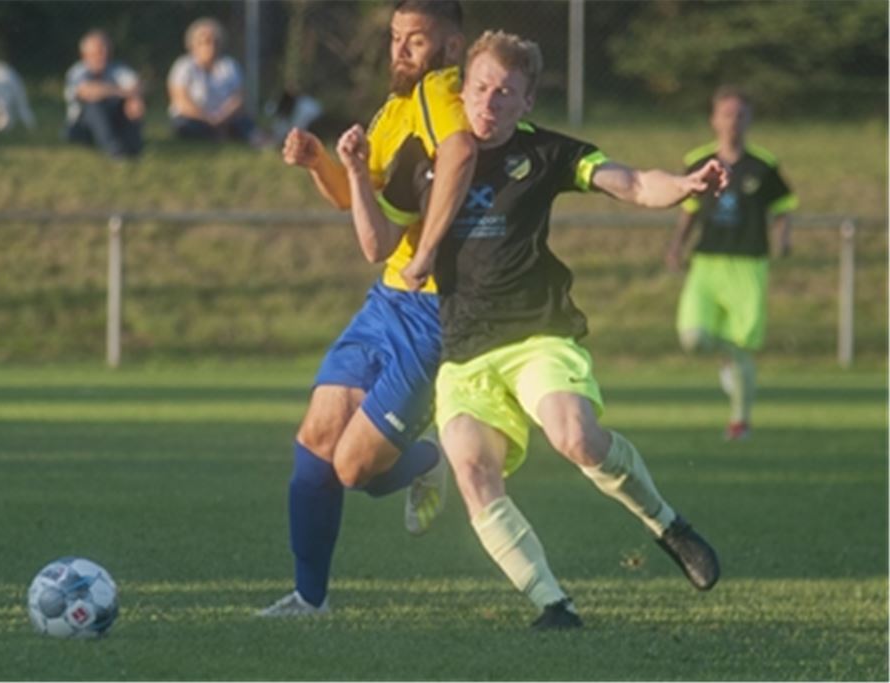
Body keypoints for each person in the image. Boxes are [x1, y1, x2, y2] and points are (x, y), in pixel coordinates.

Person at [341, 29, 724, 629]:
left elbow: (628, 181)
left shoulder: (545, 153)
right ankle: (554, 605)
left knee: (575, 437)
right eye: (480, 89)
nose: (488, 104)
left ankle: (668, 526)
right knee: (470, 469)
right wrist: (358, 174)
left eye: (505, 94)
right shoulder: (424, 156)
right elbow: (378, 244)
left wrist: (683, 187)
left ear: (526, 103)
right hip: (464, 350)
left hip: (536, 335)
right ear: (462, 91)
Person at [257, 0, 477, 617]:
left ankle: (427, 460)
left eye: (415, 39)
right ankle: (309, 599)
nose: (400, 50)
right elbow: (359, 210)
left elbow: (459, 151)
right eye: (395, 37)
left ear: (451, 47)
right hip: (385, 300)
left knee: (353, 469)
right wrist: (322, 164)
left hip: (434, 316)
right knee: (317, 435)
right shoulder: (394, 110)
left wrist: (429, 247)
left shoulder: (441, 92)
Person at [666, 86, 797, 441]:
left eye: (740, 114)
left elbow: (783, 207)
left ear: (749, 120)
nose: (732, 122)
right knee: (693, 337)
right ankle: (727, 362)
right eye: (726, 114)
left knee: (743, 346)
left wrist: (783, 238)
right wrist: (676, 247)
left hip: (749, 264)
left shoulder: (763, 165)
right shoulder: (698, 161)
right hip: (707, 263)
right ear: (714, 119)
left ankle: (740, 421)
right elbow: (688, 210)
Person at [167, 18, 264, 145]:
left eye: (215, 42)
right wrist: (207, 118)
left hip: (226, 117)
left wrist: (222, 117)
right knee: (186, 127)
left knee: (244, 122)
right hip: (194, 118)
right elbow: (181, 101)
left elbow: (239, 98)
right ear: (193, 45)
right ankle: (218, 135)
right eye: (206, 42)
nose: (211, 46)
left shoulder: (229, 66)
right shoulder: (183, 66)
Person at [63, 29, 144, 159]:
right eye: (99, 51)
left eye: (106, 49)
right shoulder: (78, 71)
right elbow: (87, 91)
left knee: (134, 102)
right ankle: (114, 149)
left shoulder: (118, 69)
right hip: (83, 126)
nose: (104, 54)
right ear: (85, 54)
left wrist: (133, 99)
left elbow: (137, 87)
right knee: (94, 104)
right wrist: (122, 92)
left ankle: (132, 146)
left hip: (113, 119)